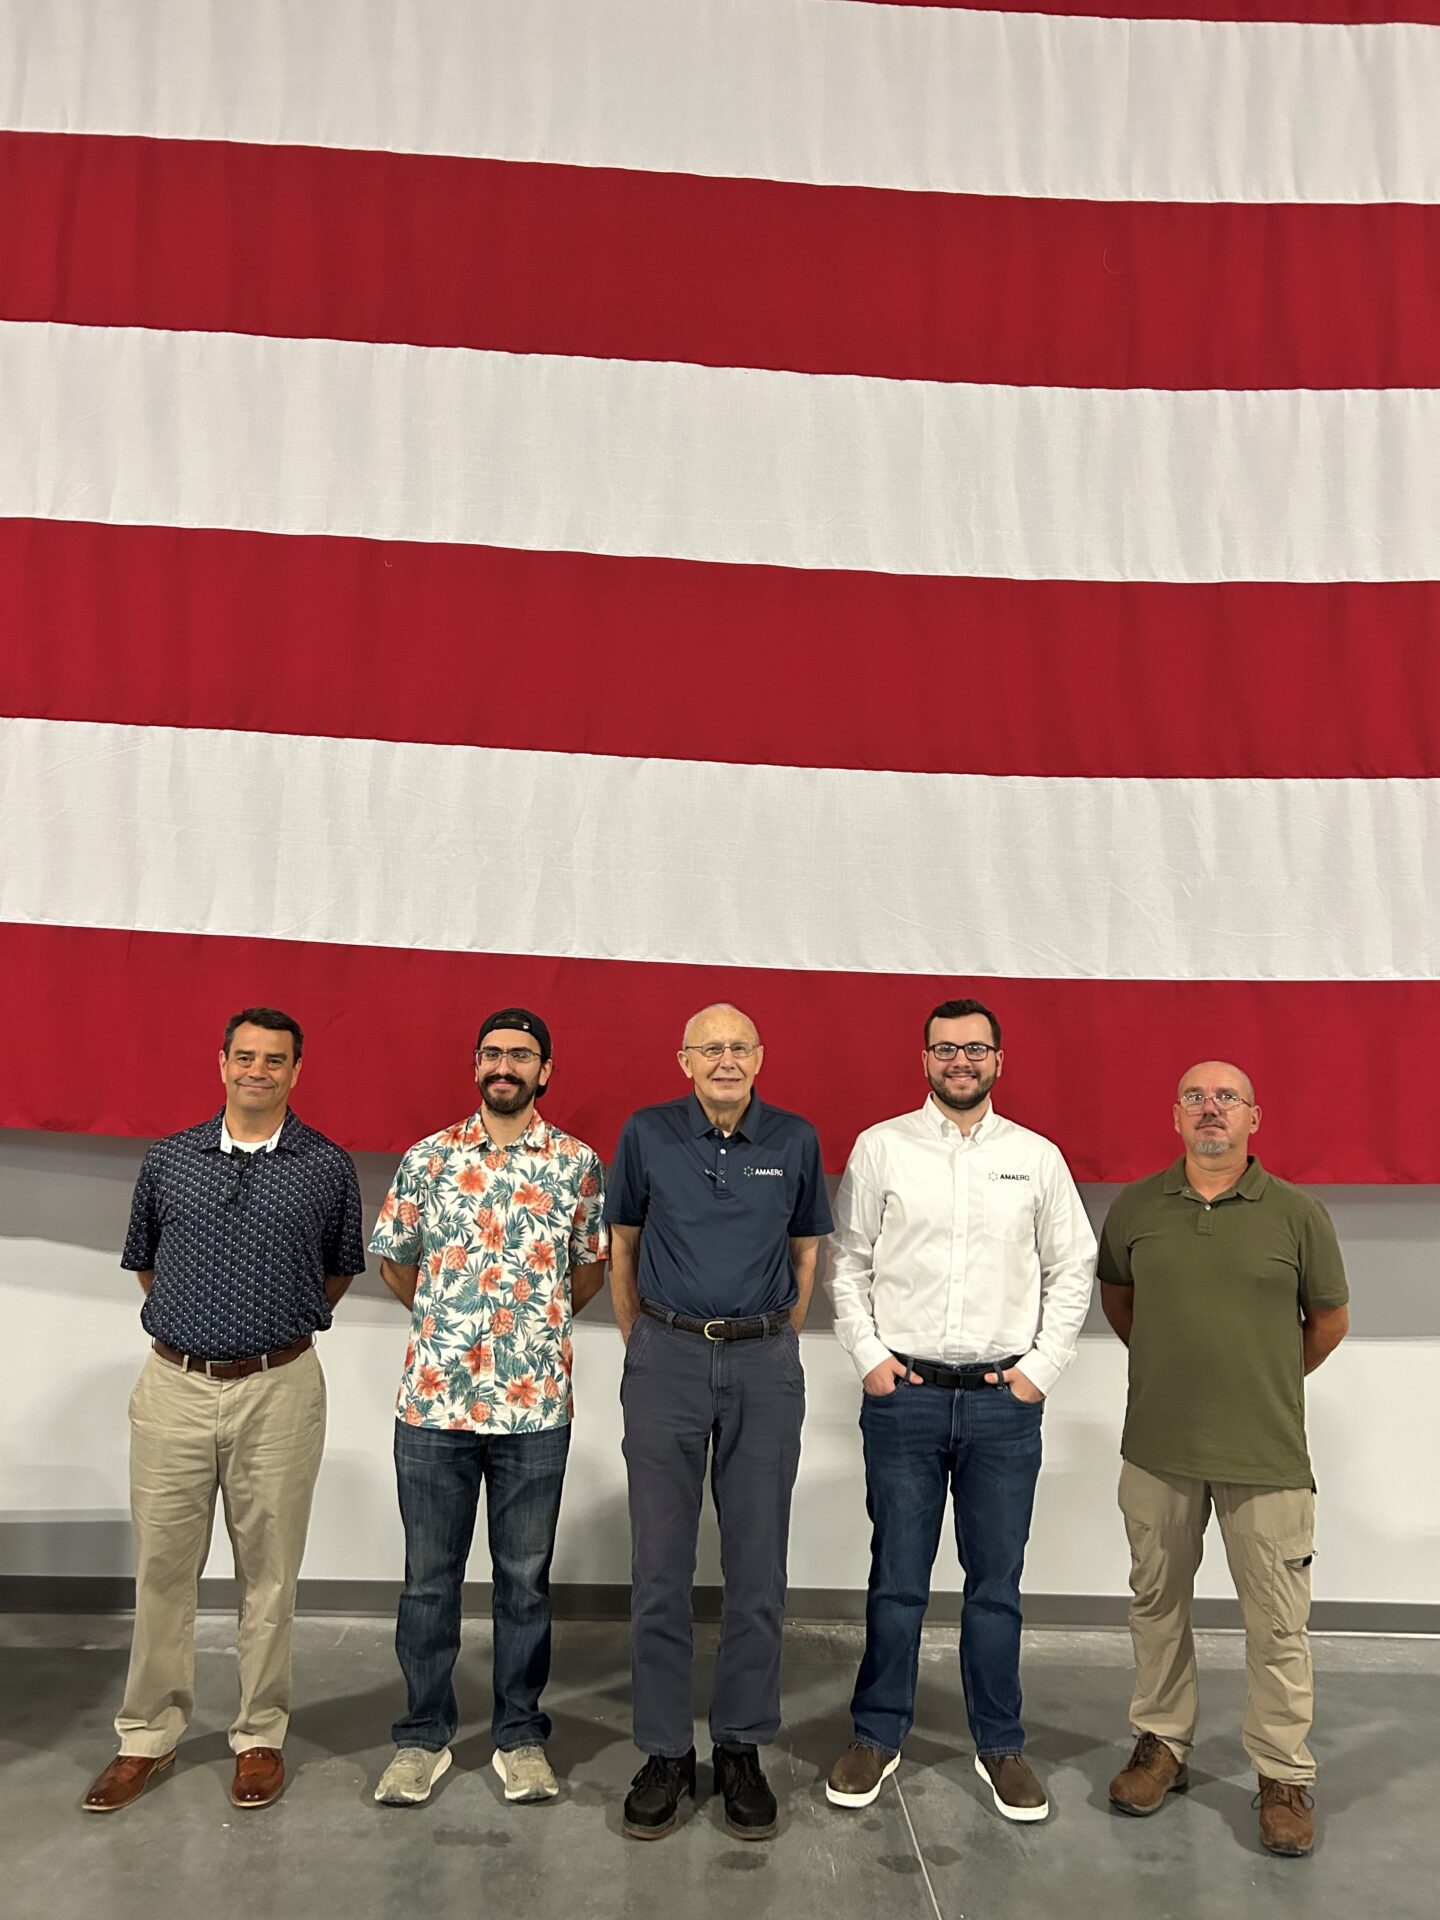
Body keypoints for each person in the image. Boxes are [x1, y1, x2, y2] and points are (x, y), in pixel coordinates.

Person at [82, 1008, 364, 1814]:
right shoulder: (171, 1159)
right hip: (173, 1386)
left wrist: (264, 1327)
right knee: (163, 1569)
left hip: (279, 1390)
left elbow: (337, 1271)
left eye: (275, 1059)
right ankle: (147, 1737)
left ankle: (259, 1736)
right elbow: (147, 1265)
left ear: (296, 1071)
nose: (258, 1070)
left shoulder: (325, 1165)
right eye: (245, 1056)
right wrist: (198, 1330)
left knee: (268, 1574)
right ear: (222, 1063)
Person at [825, 997, 1094, 1823]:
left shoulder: (1036, 1159)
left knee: (996, 1584)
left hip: (1002, 1408)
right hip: (903, 1401)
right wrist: (870, 1361)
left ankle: (1000, 1745)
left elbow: (1072, 1268)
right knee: (897, 1581)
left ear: (999, 1062)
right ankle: (877, 1732)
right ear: (925, 1059)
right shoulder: (882, 1148)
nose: (961, 1062)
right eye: (946, 1049)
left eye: (976, 1049)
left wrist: (1038, 1373)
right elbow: (847, 1265)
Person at [1098, 1061, 1349, 1859]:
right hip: (1158, 1449)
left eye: (1227, 1099)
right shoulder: (1137, 1207)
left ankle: (1281, 1774)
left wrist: (1258, 1379)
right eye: (1196, 1098)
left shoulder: (1299, 1215)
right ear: (1175, 1117)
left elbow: (1329, 1321)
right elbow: (1120, 1302)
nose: (1212, 1110)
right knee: (1155, 1605)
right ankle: (1162, 1746)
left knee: (1277, 1623)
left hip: (1266, 1454)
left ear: (1254, 1118)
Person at [369, 1010, 607, 1810]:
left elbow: (586, 1274)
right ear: (475, 1065)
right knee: (428, 1584)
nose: (505, 1066)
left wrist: (524, 1334)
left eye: (522, 1056)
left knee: (524, 1583)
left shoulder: (577, 1165)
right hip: (434, 1403)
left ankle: (519, 1736)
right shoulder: (428, 1159)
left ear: (547, 1071)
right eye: (493, 1054)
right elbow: (397, 1264)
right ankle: (421, 1738)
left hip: (535, 1408)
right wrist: (448, 1318)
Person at [605, 1004, 832, 1841]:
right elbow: (623, 1244)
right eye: (711, 1048)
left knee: (757, 1571)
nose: (726, 1060)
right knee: (660, 1570)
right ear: (684, 1060)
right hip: (665, 1357)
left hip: (762, 1364)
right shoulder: (646, 1134)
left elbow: (808, 1252)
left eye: (740, 1047)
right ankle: (666, 1752)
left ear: (760, 1057)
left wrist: (775, 1341)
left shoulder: (795, 1140)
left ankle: (740, 1747)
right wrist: (643, 1344)